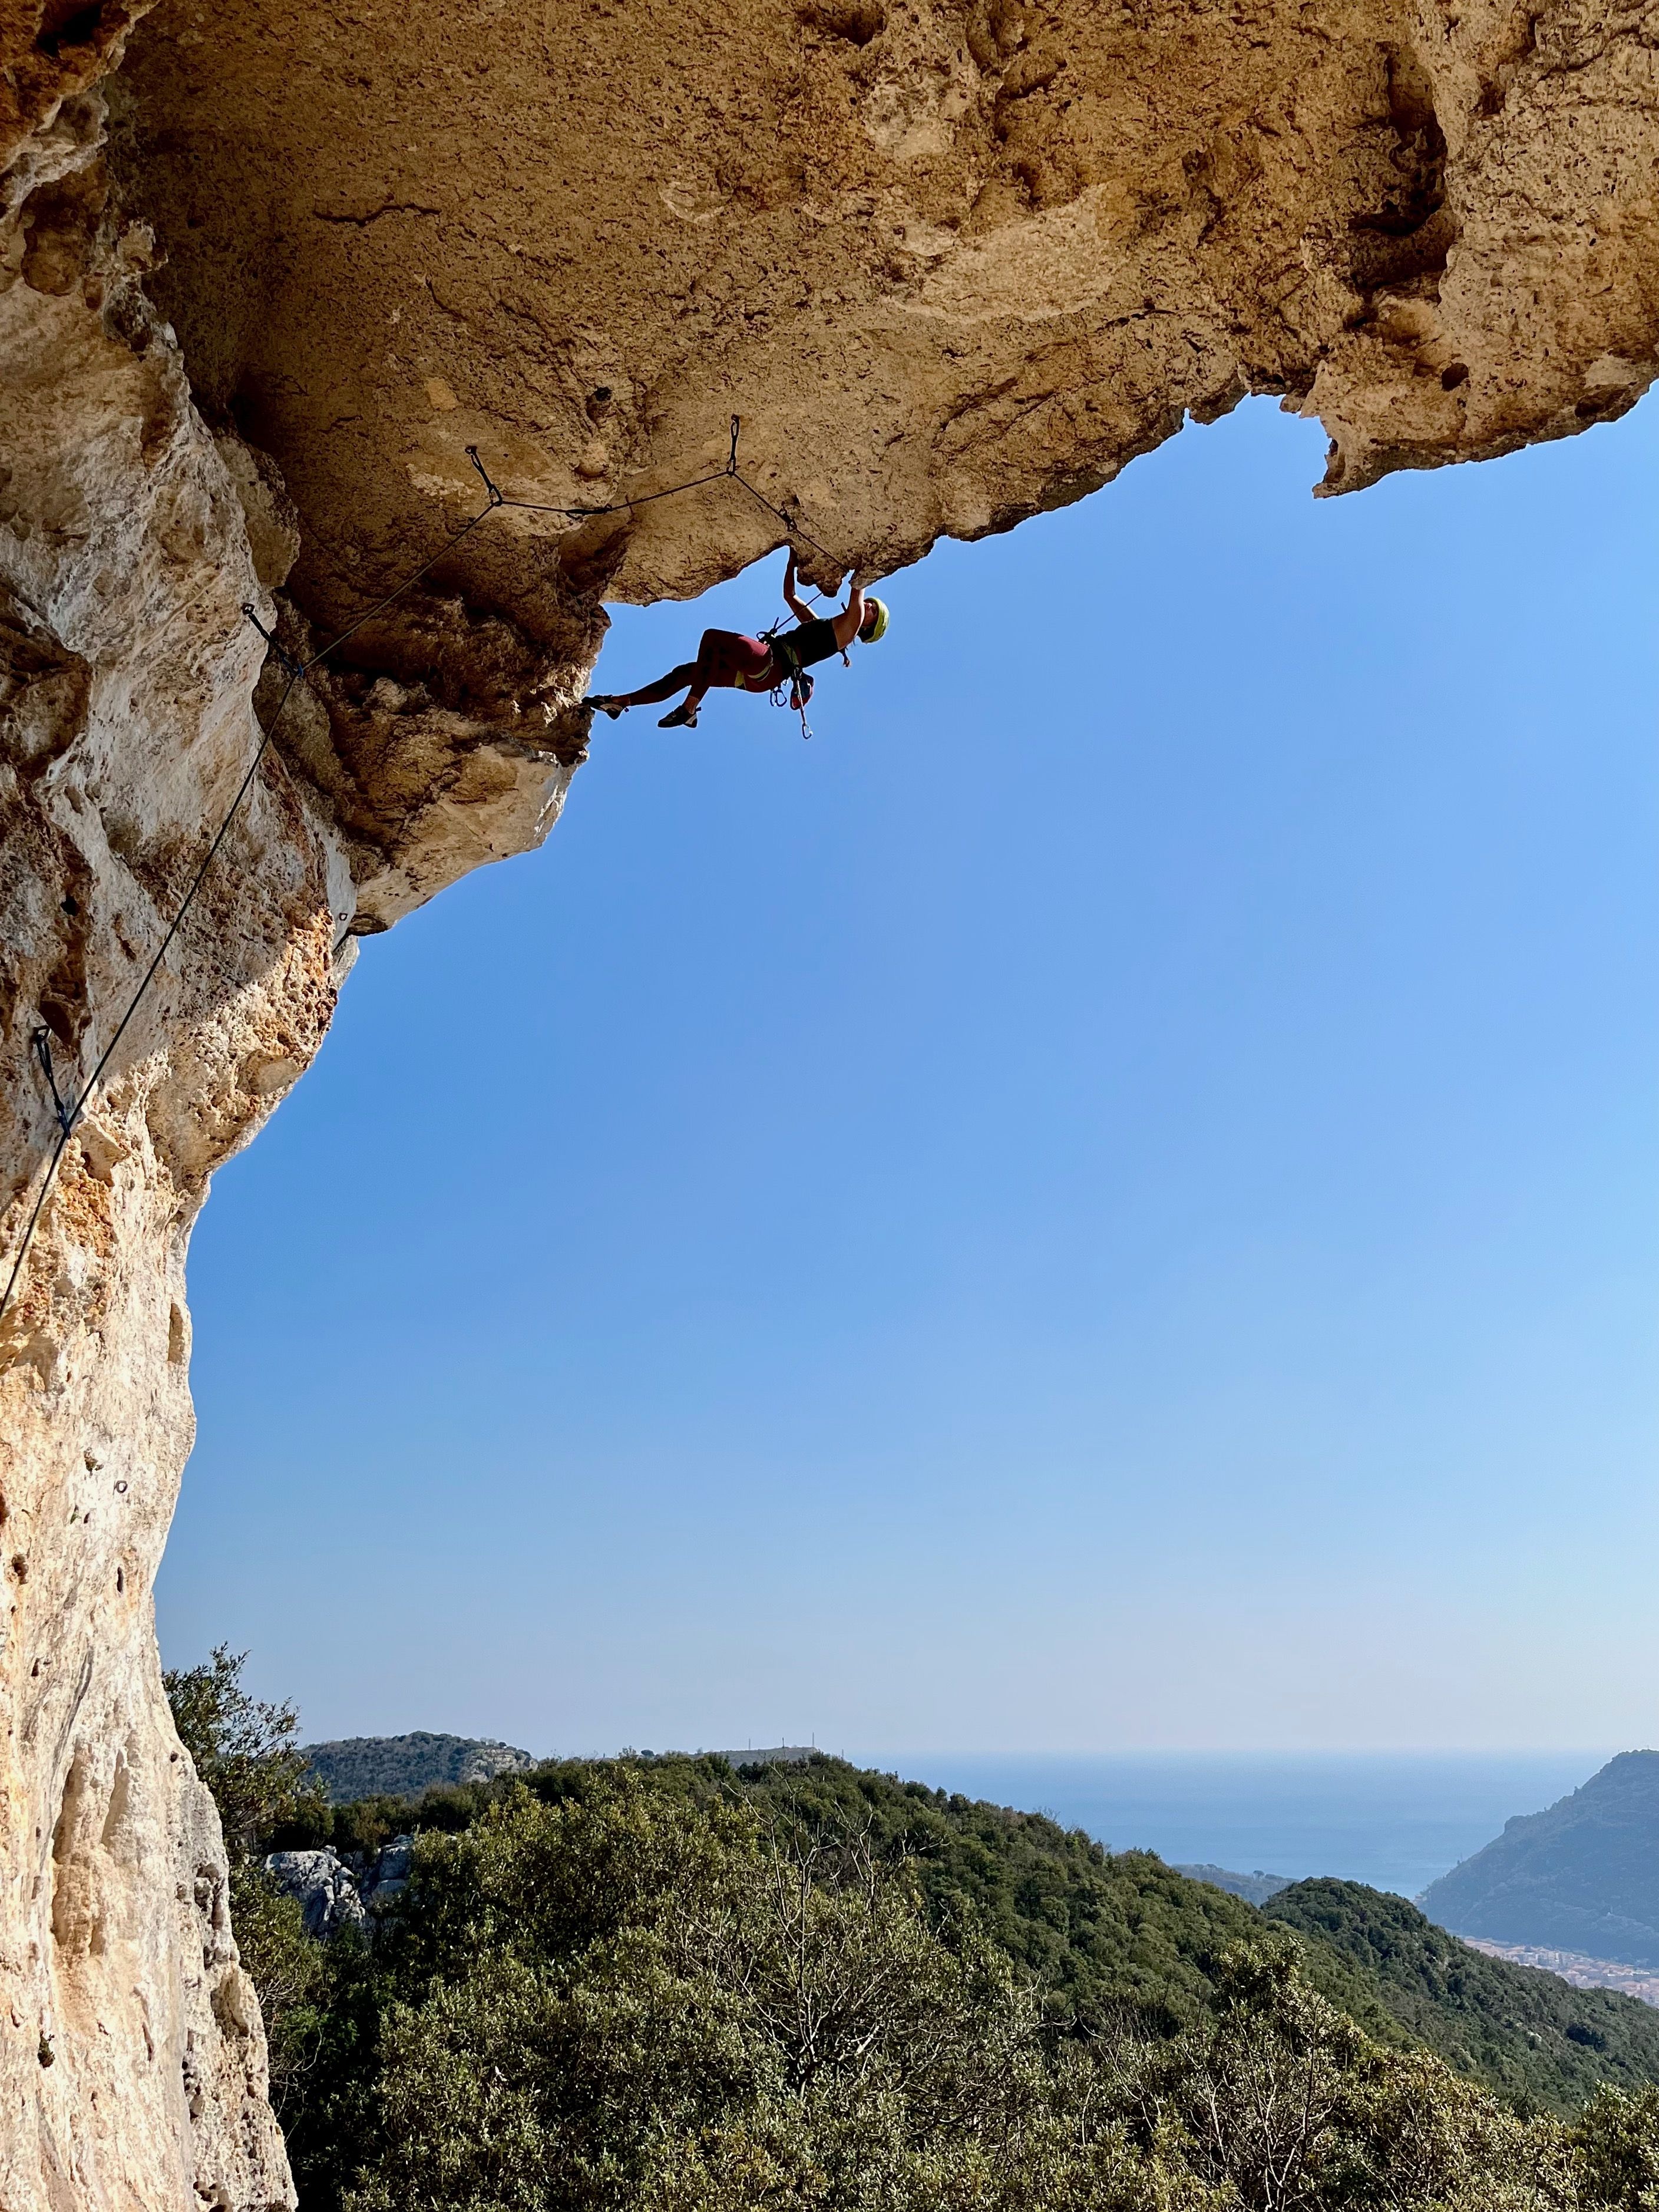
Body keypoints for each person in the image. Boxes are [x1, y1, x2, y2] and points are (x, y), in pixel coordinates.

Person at [588, 553, 889, 728]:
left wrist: (864, 558)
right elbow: (790, 595)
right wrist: (791, 558)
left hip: (770, 666)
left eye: (873, 613)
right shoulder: (820, 626)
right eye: (873, 605)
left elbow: (858, 588)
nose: (869, 608)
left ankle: (690, 708)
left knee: (712, 640)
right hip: (760, 674)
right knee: (686, 673)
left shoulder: (847, 631)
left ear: (866, 629)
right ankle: (620, 702)